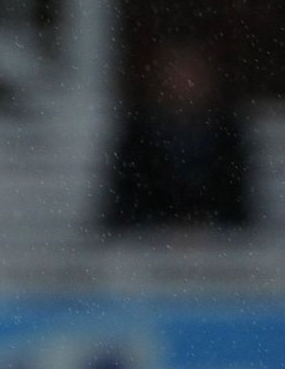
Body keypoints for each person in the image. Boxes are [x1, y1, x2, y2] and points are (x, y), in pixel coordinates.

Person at [104, 41, 252, 232]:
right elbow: (127, 194)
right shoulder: (141, 131)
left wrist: (204, 221)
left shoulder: (225, 132)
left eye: (192, 75)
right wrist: (164, 225)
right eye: (178, 75)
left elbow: (234, 195)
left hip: (215, 237)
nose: (184, 84)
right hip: (148, 237)